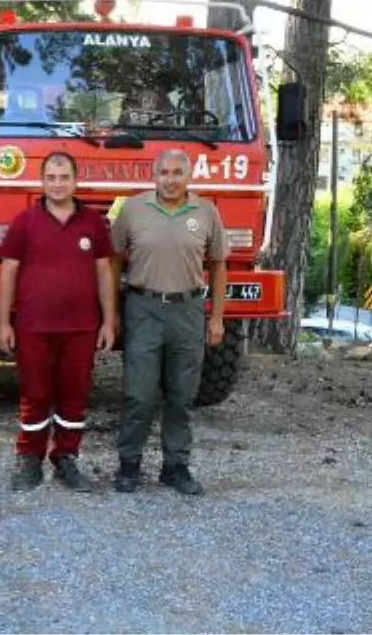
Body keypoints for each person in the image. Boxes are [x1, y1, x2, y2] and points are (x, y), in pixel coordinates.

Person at [0, 152, 117, 492]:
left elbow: (104, 271)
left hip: (81, 327)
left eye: (64, 177)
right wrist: (4, 322)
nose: (58, 184)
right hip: (34, 326)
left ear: (75, 181)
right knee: (35, 395)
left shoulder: (93, 222)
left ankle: (66, 457)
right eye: (51, 177)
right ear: (42, 181)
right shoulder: (24, 222)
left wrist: (109, 321)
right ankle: (29, 459)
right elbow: (8, 271)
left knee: (74, 396)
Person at [110, 148, 227, 496]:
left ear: (188, 177)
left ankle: (175, 467)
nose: (171, 179)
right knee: (139, 394)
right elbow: (113, 259)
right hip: (142, 308)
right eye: (165, 172)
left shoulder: (207, 212)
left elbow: (219, 265)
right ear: (154, 175)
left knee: (181, 395)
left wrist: (217, 318)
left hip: (188, 311)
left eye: (178, 173)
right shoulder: (132, 209)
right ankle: (128, 465)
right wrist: (113, 313)